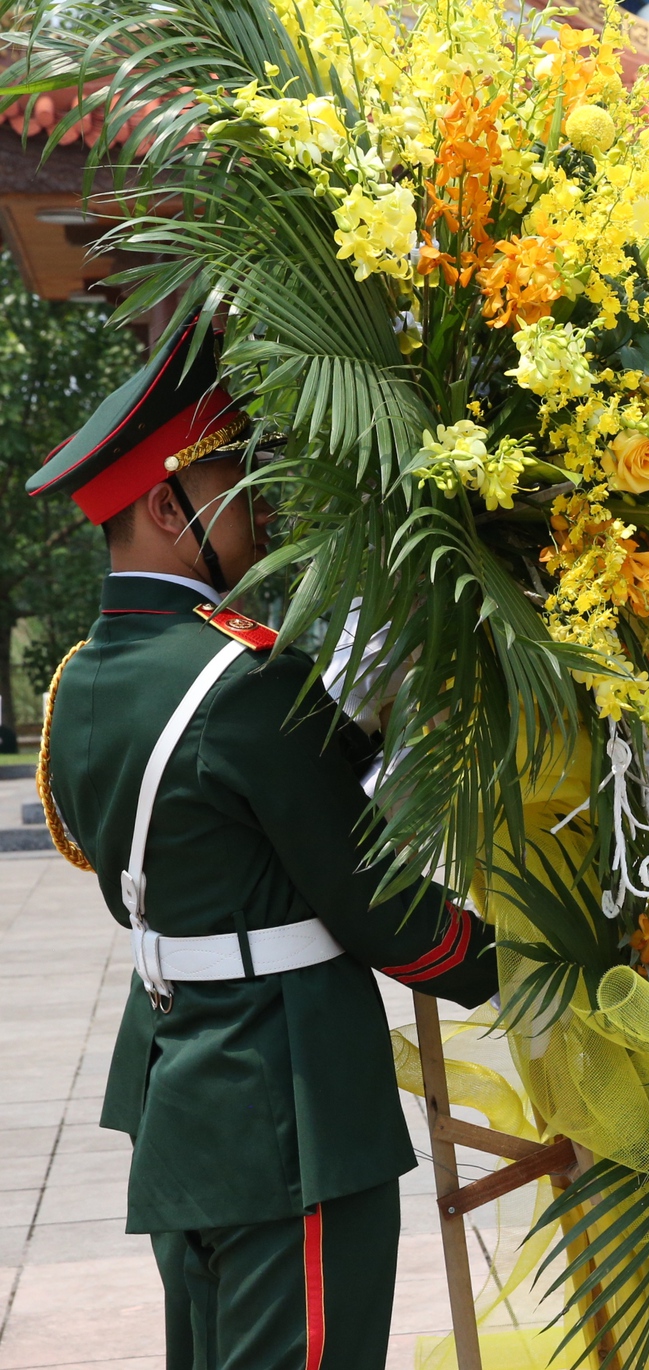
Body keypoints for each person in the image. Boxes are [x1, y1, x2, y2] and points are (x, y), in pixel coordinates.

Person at [28, 321, 497, 1369]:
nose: (259, 499)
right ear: (164, 505)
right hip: (288, 1100)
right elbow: (376, 904)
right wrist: (514, 962)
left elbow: (155, 874)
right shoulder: (243, 683)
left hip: (178, 1080)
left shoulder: (81, 685)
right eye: (232, 475)